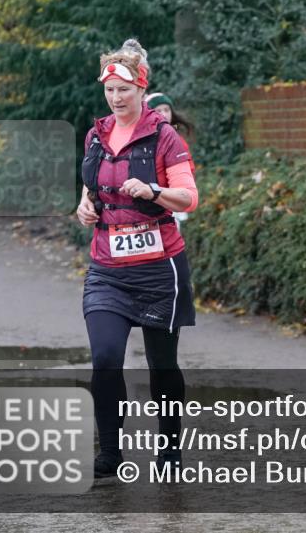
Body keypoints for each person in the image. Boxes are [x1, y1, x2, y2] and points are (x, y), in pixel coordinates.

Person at [75, 39, 199, 478]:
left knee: (162, 364)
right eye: (109, 90)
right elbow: (89, 189)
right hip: (107, 268)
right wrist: (84, 207)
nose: (116, 98)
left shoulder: (165, 137)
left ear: (141, 89)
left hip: (158, 269)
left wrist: (153, 192)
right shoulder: (96, 134)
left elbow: (188, 198)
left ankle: (169, 452)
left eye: (124, 90)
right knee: (105, 358)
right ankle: (110, 452)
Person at [145, 92, 195, 225]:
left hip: (171, 198)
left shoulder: (177, 140)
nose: (164, 114)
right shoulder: (142, 141)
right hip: (147, 201)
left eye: (167, 110)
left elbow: (188, 167)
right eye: (158, 110)